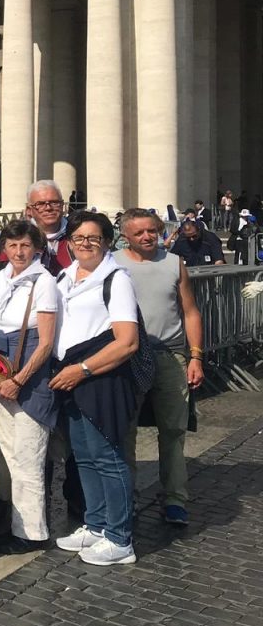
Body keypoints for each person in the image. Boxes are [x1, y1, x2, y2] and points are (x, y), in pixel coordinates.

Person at [50, 211, 141, 566]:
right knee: (84, 455)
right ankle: (97, 523)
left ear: (106, 242)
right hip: (70, 375)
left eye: (93, 238)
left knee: (108, 456)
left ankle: (120, 538)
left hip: (99, 375)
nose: (85, 244)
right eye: (78, 238)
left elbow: (127, 341)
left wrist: (83, 370)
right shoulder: (63, 276)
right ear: (69, 243)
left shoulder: (116, 279)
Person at [114, 208, 205, 525]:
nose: (147, 237)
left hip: (170, 354)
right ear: (126, 235)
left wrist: (196, 356)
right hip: (127, 356)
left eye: (152, 230)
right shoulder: (113, 264)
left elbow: (190, 310)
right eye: (139, 232)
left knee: (174, 430)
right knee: (124, 432)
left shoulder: (173, 262)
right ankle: (126, 495)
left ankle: (175, 498)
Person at [0, 220, 60, 554]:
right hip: (0, 373)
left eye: (25, 245)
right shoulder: (1, 277)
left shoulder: (45, 282)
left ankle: (33, 533)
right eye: (12, 245)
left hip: (27, 376)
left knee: (28, 457)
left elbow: (47, 342)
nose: (18, 252)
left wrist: (20, 379)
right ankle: (18, 524)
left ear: (37, 248)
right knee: (10, 456)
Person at [24, 180, 72, 274]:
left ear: (62, 205)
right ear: (29, 210)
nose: (48, 208)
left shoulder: (77, 235)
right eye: (40, 204)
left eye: (54, 202)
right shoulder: (18, 238)